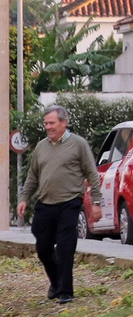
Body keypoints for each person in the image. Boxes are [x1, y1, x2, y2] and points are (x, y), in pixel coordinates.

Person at [19, 104, 102, 304]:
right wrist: (23, 198)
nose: (48, 127)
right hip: (45, 203)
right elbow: (32, 176)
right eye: (46, 123)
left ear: (63, 123)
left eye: (52, 123)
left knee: (65, 247)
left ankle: (65, 291)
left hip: (70, 202)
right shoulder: (41, 146)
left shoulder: (78, 144)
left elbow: (92, 173)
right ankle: (56, 282)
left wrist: (96, 202)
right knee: (44, 247)